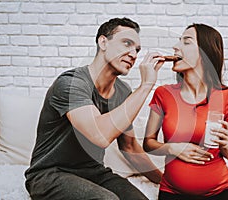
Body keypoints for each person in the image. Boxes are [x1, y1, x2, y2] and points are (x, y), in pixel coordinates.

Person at [24, 17, 164, 200]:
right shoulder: (71, 83)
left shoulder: (123, 92)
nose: (133, 54)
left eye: (137, 49)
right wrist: (146, 85)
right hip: (50, 174)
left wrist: (166, 182)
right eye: (126, 44)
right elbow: (100, 136)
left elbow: (129, 147)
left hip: (93, 172)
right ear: (103, 42)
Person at [143, 23, 228, 200]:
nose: (175, 46)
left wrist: (225, 143)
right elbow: (148, 144)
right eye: (178, 41)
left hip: (221, 190)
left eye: (186, 42)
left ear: (205, 53)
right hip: (172, 192)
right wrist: (173, 148)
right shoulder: (163, 94)